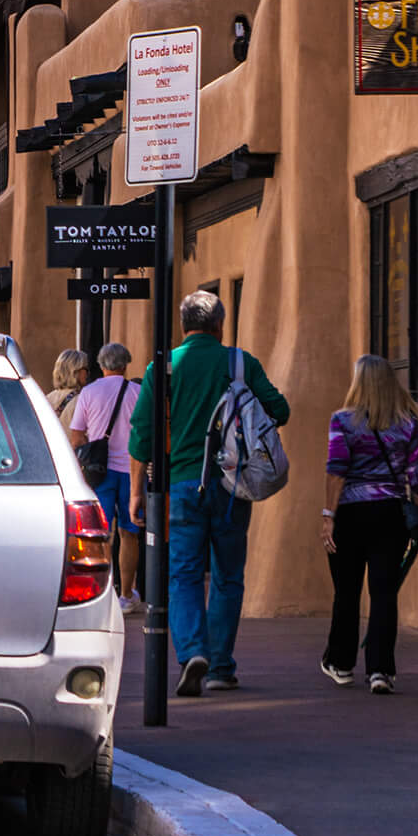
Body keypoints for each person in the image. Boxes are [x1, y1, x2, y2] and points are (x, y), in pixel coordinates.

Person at [128, 290, 290, 696]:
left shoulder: (162, 367)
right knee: (227, 575)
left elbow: (142, 435)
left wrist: (135, 492)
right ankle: (220, 666)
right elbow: (280, 409)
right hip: (232, 484)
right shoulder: (239, 363)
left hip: (182, 484)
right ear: (220, 324)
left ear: (184, 325)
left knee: (182, 574)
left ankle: (192, 652)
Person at [321, 354, 418, 695]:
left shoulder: (342, 421)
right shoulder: (408, 424)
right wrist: (417, 520)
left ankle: (341, 663)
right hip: (390, 513)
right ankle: (381, 670)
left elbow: (336, 471)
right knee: (383, 593)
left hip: (350, 513)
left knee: (346, 591)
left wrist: (328, 517)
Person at [68, 342, 143, 610]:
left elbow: (77, 435)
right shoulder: (138, 392)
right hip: (132, 470)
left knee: (101, 533)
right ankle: (127, 594)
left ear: (101, 365)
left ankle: (103, 593)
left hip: (99, 472)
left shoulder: (89, 392)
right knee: (129, 533)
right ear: (126, 364)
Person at [48, 349, 90, 437]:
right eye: (85, 369)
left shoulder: (46, 398)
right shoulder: (81, 401)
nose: (88, 373)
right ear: (75, 371)